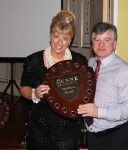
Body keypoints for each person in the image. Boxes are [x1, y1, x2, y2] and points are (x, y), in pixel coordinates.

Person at [20, 10, 87, 150]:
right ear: (50, 35)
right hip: (39, 129)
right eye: (56, 36)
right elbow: (23, 88)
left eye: (65, 38)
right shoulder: (33, 60)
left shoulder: (79, 61)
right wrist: (35, 93)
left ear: (71, 39)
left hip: (69, 130)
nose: (59, 43)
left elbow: (84, 91)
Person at [77, 22, 128, 150]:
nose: (101, 45)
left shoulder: (125, 71)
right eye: (97, 40)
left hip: (116, 138)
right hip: (93, 137)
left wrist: (98, 112)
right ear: (92, 44)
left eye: (107, 40)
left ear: (114, 43)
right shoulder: (91, 63)